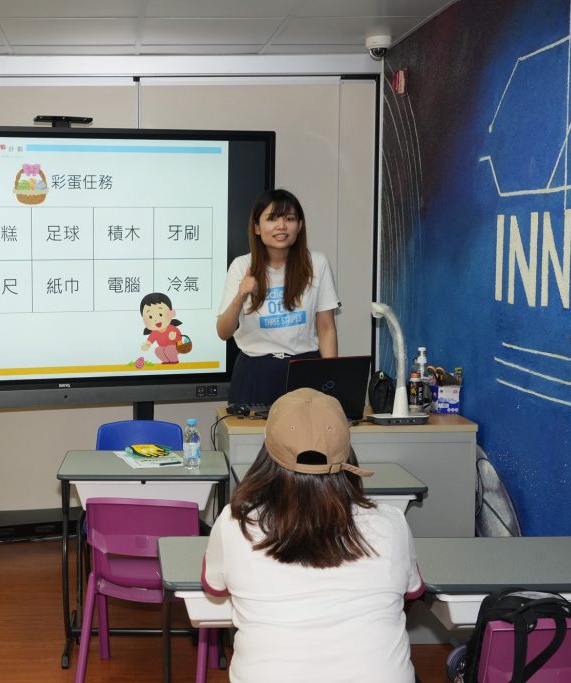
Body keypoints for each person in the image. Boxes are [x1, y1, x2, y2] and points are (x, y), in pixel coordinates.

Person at [203, 388, 424, 683]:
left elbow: (215, 587)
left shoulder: (235, 522)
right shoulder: (391, 522)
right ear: (347, 452)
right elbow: (413, 591)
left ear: (267, 452)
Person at [217, 188, 340, 406]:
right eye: (272, 218)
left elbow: (326, 328)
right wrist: (241, 295)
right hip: (255, 372)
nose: (281, 226)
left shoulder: (317, 263)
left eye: (289, 219)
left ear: (299, 226)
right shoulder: (241, 266)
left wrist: (331, 380)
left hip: (305, 370)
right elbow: (223, 332)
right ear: (257, 227)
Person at [140, 292, 184, 364]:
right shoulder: (154, 333)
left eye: (160, 314)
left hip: (177, 347)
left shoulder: (172, 328)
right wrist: (146, 346)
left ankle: (174, 361)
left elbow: (179, 340)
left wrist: (175, 337)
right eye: (150, 317)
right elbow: (149, 341)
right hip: (164, 348)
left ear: (171, 313)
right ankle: (166, 362)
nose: (156, 319)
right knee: (158, 350)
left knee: (168, 349)